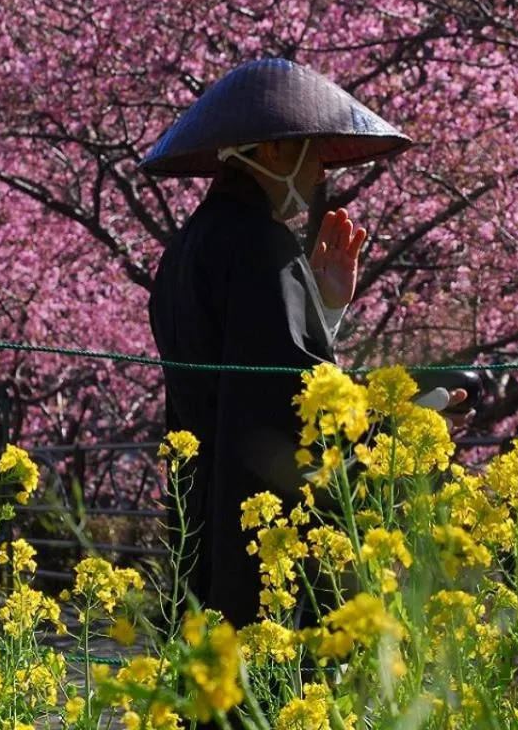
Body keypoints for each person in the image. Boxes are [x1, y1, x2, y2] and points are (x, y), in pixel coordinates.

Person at [141, 58, 464, 629]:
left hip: (203, 518)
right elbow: (294, 405)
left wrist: (325, 305)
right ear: (269, 150)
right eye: (310, 151)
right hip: (266, 541)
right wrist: (403, 424)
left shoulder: (185, 249)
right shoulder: (262, 245)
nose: (319, 173)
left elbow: (257, 372)